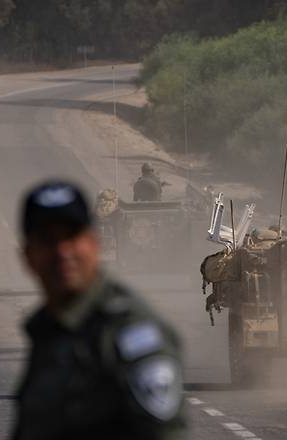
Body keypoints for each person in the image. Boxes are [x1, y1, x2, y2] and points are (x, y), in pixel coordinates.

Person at [12, 180, 186, 440]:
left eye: (72, 236)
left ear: (94, 244)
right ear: (27, 255)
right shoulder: (48, 330)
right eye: (47, 240)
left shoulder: (130, 335)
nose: (62, 252)